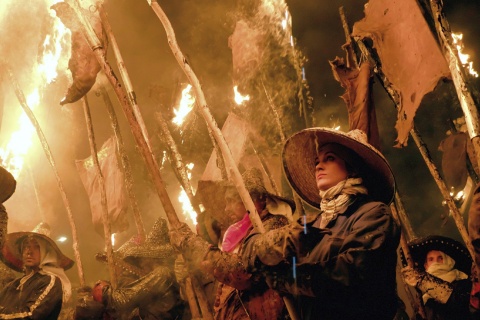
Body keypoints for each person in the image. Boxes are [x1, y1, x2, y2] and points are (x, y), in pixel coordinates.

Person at [240, 127, 401, 319]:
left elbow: (352, 273)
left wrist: (288, 278)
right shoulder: (312, 223)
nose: (318, 166)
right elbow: (251, 255)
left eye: (330, 158)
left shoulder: (373, 213)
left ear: (352, 167)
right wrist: (273, 250)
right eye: (317, 161)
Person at [171, 167, 296, 319]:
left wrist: (193, 244)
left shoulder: (273, 226)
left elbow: (242, 271)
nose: (226, 208)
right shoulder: (237, 236)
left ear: (252, 200)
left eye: (231, 201)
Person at [78, 217, 185, 320]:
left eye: (144, 259)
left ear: (156, 258)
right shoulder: (161, 273)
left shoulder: (162, 273)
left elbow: (121, 301)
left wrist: (103, 289)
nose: (141, 263)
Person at [0, 222, 74, 319]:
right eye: (26, 246)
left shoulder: (50, 281)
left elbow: (31, 315)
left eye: (36, 247)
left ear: (45, 252)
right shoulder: (12, 285)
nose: (29, 252)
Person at [401, 235, 472, 320]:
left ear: (449, 261)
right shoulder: (423, 301)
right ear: (426, 266)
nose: (436, 263)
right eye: (431, 259)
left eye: (440, 258)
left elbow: (461, 304)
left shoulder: (463, 283)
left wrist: (424, 280)